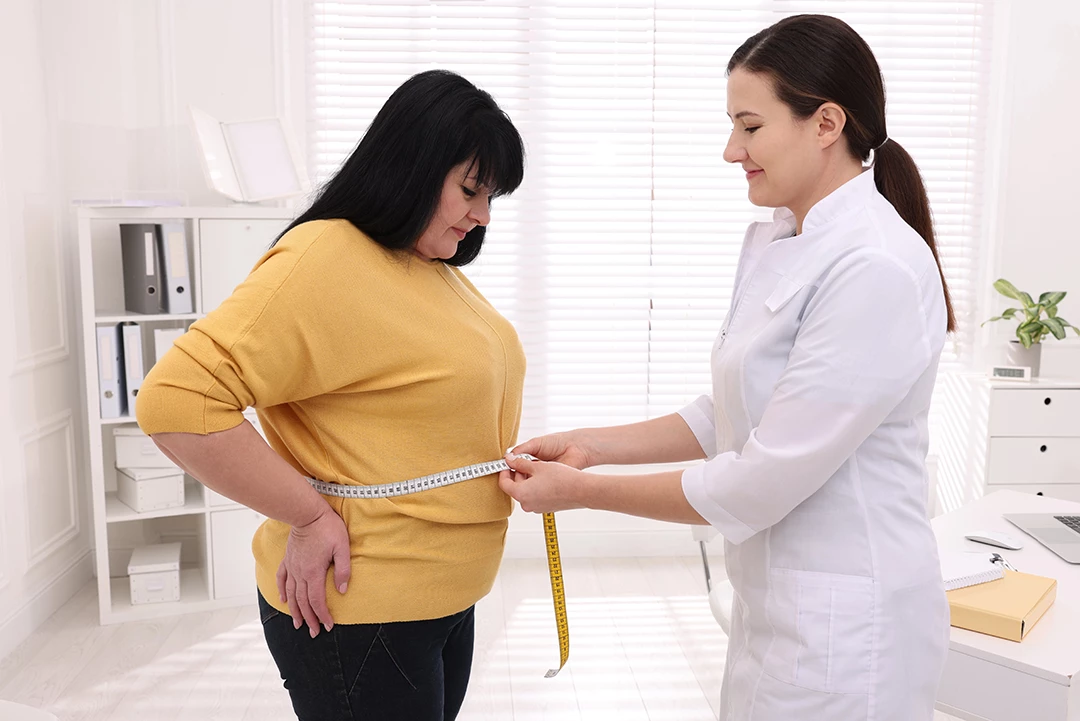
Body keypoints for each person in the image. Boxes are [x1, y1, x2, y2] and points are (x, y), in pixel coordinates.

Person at [499, 14, 952, 721]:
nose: (730, 150)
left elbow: (760, 480)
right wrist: (595, 445)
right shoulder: (783, 239)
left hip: (851, 627)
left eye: (749, 126)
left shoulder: (876, 267)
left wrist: (583, 491)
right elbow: (732, 409)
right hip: (779, 608)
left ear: (826, 122)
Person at [136, 69, 526, 721]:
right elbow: (176, 399)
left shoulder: (427, 264)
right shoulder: (325, 256)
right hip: (363, 608)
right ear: (413, 163)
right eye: (470, 189)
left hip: (440, 600)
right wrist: (310, 514)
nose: (483, 215)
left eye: (491, 196)